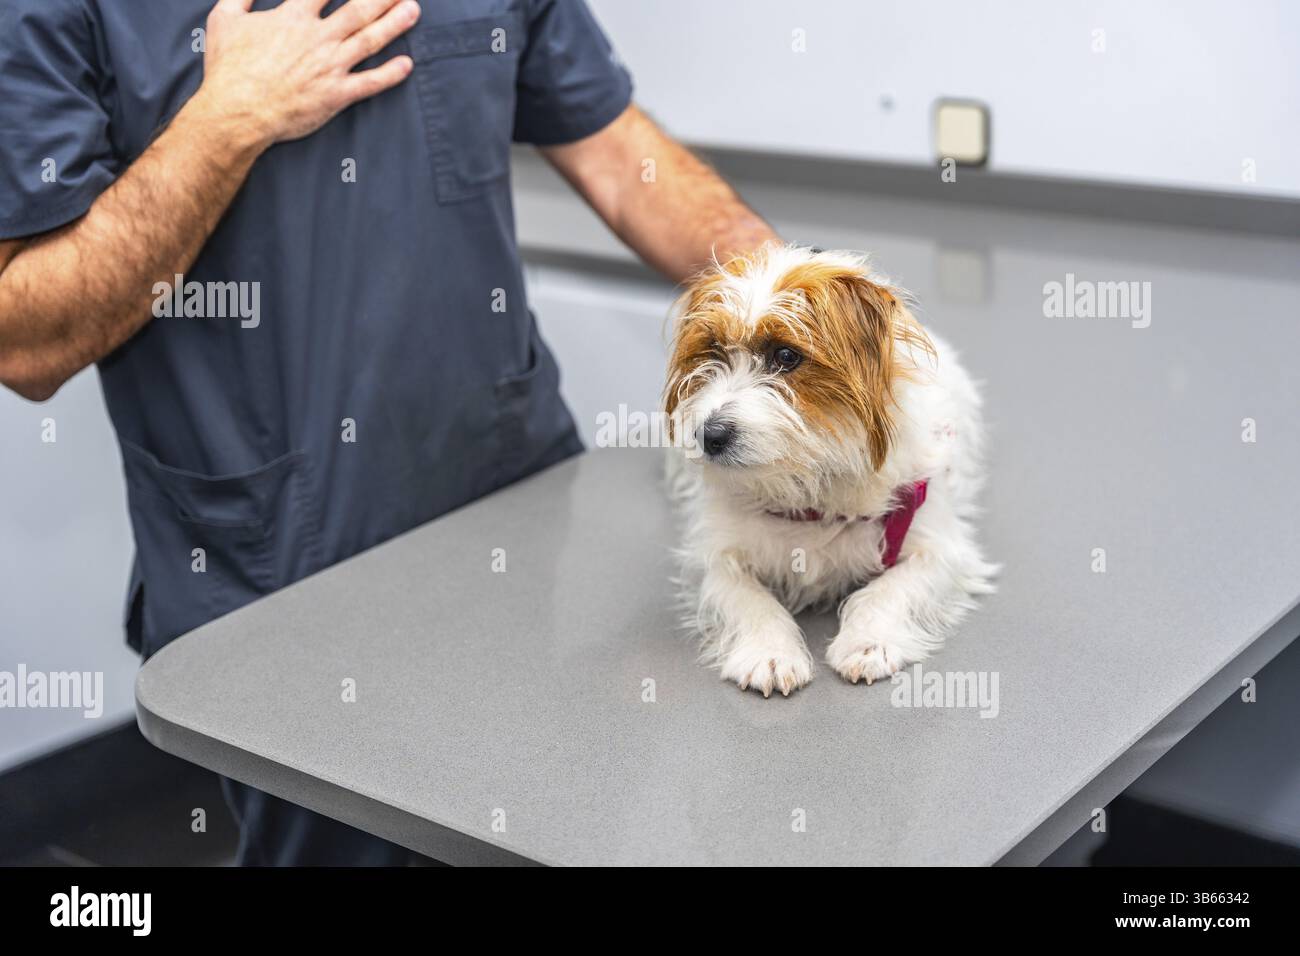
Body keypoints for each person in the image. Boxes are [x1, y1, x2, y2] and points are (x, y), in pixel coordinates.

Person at [0, 0, 776, 864]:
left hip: (514, 513)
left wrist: (796, 296)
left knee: (556, 824)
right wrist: (225, 123)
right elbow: (25, 339)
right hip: (281, 573)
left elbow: (616, 151)